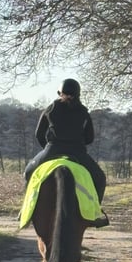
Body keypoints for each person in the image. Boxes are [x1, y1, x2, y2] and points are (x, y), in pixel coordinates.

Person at [24, 78, 107, 206]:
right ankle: (96, 209)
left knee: (29, 172)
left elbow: (39, 134)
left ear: (60, 93)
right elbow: (90, 138)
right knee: (100, 179)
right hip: (77, 152)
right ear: (78, 94)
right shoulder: (83, 112)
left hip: (52, 150)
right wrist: (78, 143)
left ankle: (26, 208)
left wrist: (47, 148)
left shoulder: (51, 109)